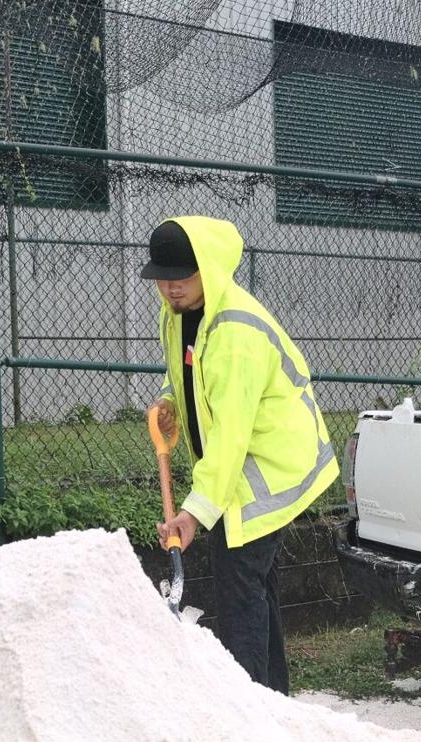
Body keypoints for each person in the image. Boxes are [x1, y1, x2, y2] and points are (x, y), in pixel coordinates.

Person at [143, 216, 339, 694]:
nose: (170, 288)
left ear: (206, 269)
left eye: (181, 277)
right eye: (163, 278)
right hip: (241, 460)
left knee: (239, 587)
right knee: (254, 586)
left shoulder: (235, 332)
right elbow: (188, 376)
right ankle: (274, 703)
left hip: (269, 464)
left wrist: (194, 513)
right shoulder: (179, 316)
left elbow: (230, 435)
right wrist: (170, 401)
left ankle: (249, 709)